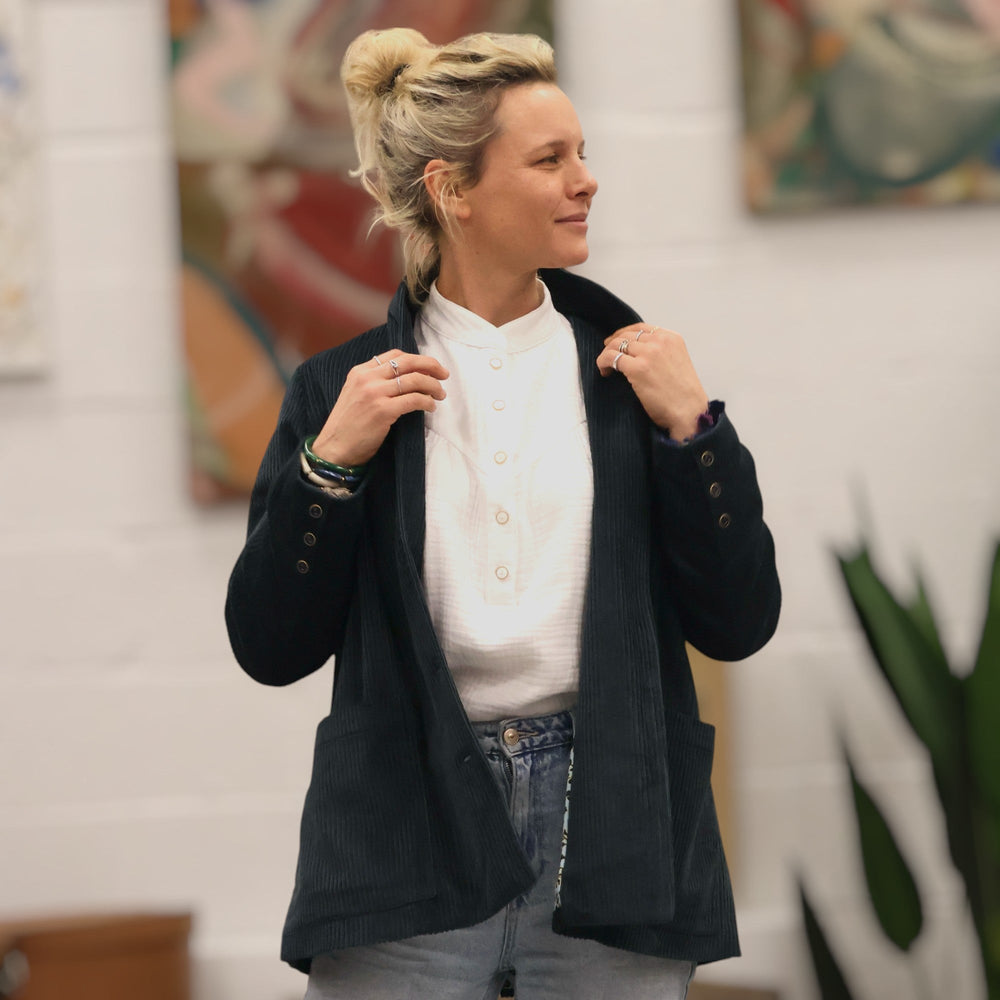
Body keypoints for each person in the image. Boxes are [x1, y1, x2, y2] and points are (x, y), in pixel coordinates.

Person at [225, 26, 780, 1000]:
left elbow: (740, 621)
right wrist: (329, 465)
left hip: (612, 832)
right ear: (453, 191)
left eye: (581, 153)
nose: (586, 180)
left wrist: (697, 433)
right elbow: (269, 645)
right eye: (549, 159)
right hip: (403, 833)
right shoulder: (337, 392)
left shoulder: (633, 379)